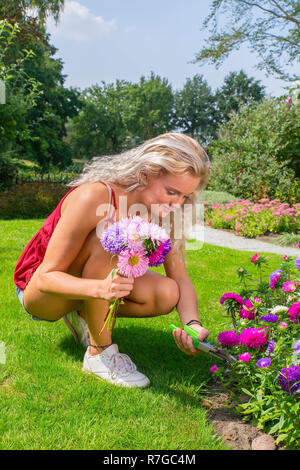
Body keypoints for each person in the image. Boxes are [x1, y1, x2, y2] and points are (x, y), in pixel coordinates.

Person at [14, 132, 210, 388]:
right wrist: (100, 290)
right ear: (146, 173)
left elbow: (180, 279)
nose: (177, 203)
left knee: (167, 292)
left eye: (185, 196)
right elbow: (46, 278)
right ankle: (100, 354)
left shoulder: (165, 212)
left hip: (85, 286)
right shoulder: (96, 196)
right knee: (115, 236)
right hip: (39, 291)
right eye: (172, 191)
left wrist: (192, 325)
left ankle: (86, 312)